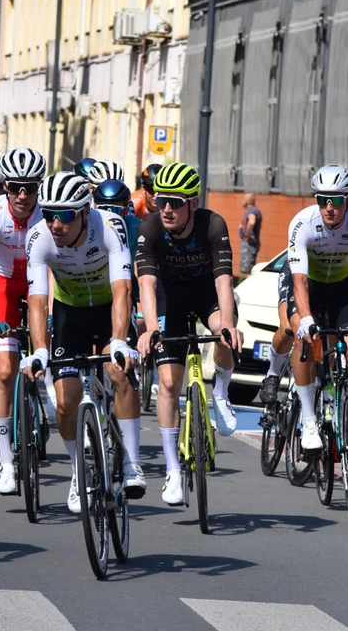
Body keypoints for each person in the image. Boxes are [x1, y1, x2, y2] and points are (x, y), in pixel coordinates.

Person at [22, 172, 145, 512]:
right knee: (66, 401)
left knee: (119, 372)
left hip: (109, 311)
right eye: (48, 215)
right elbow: (36, 300)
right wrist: (40, 350)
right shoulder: (38, 237)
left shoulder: (109, 227)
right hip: (69, 314)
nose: (54, 224)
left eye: (64, 216)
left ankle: (133, 463)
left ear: (85, 212)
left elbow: (123, 289)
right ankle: (79, 471)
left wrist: (119, 341)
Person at [134, 162, 242, 505]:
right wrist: (151, 327)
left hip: (206, 292)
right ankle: (172, 471)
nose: (166, 208)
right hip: (169, 298)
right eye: (161, 200)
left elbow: (224, 280)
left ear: (193, 204)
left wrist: (227, 323)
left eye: (175, 202)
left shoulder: (213, 224)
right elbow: (146, 284)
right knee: (168, 383)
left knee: (223, 334)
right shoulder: (150, 227)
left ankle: (221, 392)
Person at [279, 165, 348, 449]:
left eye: (335, 200)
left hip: (342, 285)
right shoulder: (303, 223)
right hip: (310, 285)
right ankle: (309, 420)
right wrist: (307, 317)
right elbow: (298, 280)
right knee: (302, 333)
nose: (328, 207)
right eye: (322, 199)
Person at [0, 147, 45, 495]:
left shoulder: (50, 214)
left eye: (30, 187)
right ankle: (6, 461)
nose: (23, 195)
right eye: (16, 186)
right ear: (5, 186)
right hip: (3, 281)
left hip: (38, 283)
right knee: (4, 370)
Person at [238, 193, 262, 276]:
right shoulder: (253, 210)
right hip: (250, 244)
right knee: (247, 269)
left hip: (249, 245)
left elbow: (252, 222)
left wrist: (247, 235)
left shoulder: (252, 211)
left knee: (247, 270)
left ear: (246, 201)